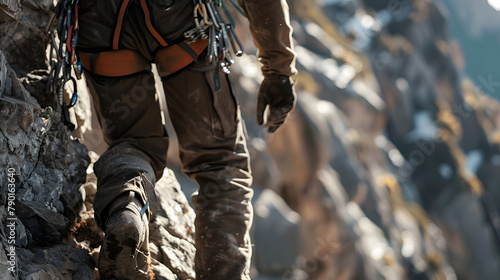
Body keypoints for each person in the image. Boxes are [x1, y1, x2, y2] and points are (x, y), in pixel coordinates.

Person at [75, 0, 297, 279]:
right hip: (178, 21)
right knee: (219, 163)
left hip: (101, 22)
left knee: (132, 142)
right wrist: (278, 70)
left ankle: (127, 209)